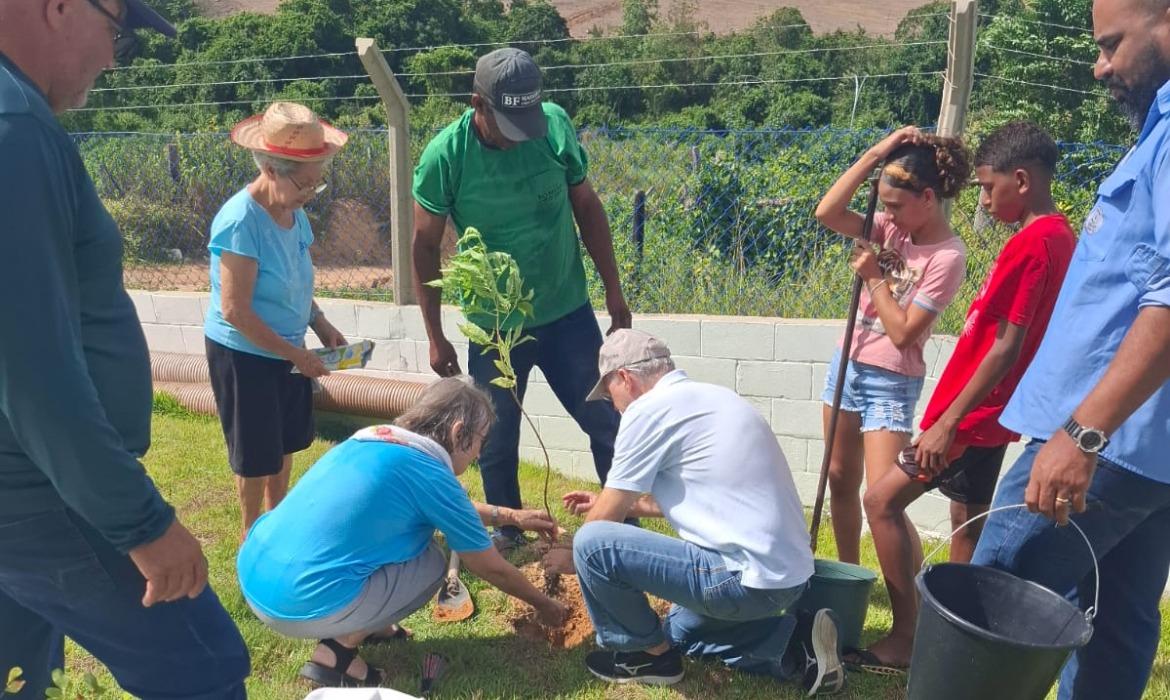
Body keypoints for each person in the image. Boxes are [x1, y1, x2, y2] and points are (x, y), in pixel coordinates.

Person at [0, 2, 249, 698]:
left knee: (23, 676)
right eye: (116, 31)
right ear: (56, 8)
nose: (115, 57)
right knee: (202, 667)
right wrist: (141, 523)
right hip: (43, 495)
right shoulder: (14, 129)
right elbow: (34, 371)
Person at [971, 1, 1170, 697]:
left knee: (991, 603)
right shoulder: (1158, 132)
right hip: (1143, 448)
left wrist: (1084, 432)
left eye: (1113, 44)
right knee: (1114, 624)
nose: (1100, 65)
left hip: (1109, 438)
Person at [853, 121, 1076, 672]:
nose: (979, 199)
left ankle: (908, 638)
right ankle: (956, 642)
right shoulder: (1062, 237)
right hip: (992, 417)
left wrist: (949, 421)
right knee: (967, 521)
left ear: (1020, 180)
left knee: (880, 502)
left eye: (986, 186)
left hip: (972, 418)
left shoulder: (1033, 245)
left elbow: (1005, 347)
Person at [412, 47, 631, 551]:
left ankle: (621, 527)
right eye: (507, 124)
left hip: (567, 311)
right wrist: (435, 334)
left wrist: (613, 290)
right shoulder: (445, 157)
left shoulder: (552, 128)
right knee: (495, 435)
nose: (518, 138)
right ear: (477, 105)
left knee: (606, 420)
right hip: (495, 323)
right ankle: (508, 531)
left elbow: (587, 207)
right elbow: (424, 247)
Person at [547, 330, 845, 693]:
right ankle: (795, 641)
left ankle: (646, 657)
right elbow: (694, 497)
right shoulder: (714, 397)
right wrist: (610, 504)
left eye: (610, 395)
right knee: (677, 631)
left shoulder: (647, 410)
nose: (614, 406)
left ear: (625, 378)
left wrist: (572, 555)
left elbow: (602, 526)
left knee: (591, 543)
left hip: (742, 578)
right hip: (785, 581)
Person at [237, 377, 569, 687]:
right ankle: (336, 656)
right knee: (432, 563)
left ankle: (373, 625)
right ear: (457, 432)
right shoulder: (429, 474)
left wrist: (512, 516)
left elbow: (452, 508)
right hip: (296, 603)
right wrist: (545, 605)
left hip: (257, 575)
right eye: (479, 441)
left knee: (390, 540)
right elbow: (489, 565)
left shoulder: (376, 439)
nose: (479, 453)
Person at [813, 127, 971, 566]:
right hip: (847, 365)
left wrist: (873, 277)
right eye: (884, 205)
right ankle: (849, 576)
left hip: (890, 382)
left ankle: (911, 597)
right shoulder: (890, 229)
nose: (888, 214)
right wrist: (877, 152)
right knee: (840, 477)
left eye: (896, 206)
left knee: (882, 498)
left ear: (927, 198)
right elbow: (827, 211)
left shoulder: (948, 257)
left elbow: (903, 333)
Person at [203, 101, 350, 541]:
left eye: (316, 184)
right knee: (254, 453)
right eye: (305, 184)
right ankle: (252, 534)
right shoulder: (239, 223)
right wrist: (296, 354)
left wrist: (320, 324)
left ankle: (277, 520)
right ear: (270, 169)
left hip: (288, 348)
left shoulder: (295, 213)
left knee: (285, 442)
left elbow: (297, 281)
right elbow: (236, 311)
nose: (310, 193)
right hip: (244, 353)